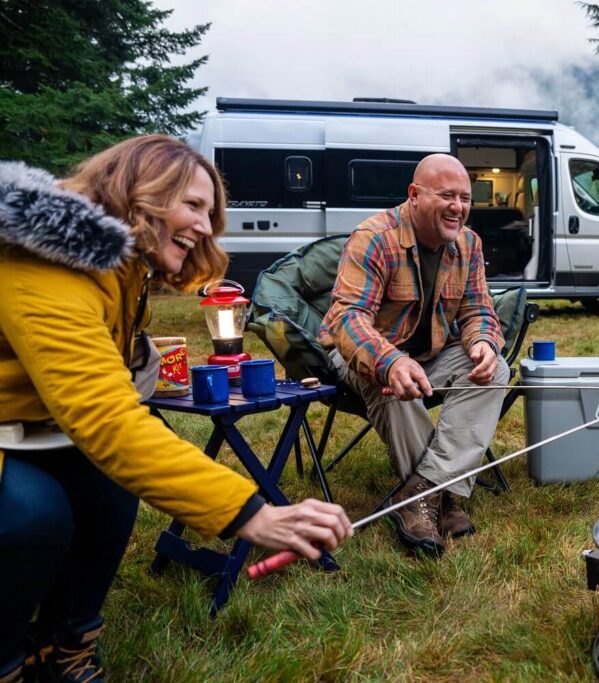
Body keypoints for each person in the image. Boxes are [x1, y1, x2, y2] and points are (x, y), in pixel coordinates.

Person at [0, 136, 353, 683]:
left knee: (112, 491)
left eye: (211, 214)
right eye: (192, 206)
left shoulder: (118, 268)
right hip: (16, 434)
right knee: (34, 513)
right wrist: (253, 513)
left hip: (37, 428)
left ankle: (65, 648)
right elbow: (105, 418)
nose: (206, 227)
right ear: (138, 192)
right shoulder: (46, 263)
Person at [320, 153, 510, 558]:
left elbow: (478, 311)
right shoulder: (374, 237)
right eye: (446, 196)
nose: (458, 207)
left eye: (464, 197)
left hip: (432, 355)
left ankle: (422, 494)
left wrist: (482, 343)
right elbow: (347, 319)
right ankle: (443, 499)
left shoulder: (468, 244)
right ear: (415, 195)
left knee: (494, 370)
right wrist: (390, 362)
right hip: (363, 354)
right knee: (395, 387)